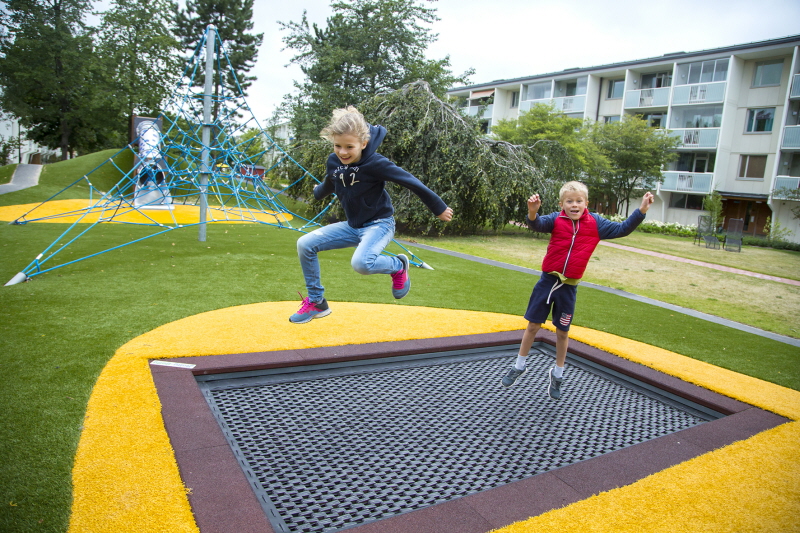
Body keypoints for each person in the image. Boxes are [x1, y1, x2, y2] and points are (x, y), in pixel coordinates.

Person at [290, 106, 453, 324]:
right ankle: (317, 303)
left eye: (349, 147)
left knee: (362, 263)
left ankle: (398, 266)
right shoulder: (334, 161)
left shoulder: (375, 163)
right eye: (338, 146)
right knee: (305, 244)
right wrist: (317, 192)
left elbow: (410, 181)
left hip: (379, 224)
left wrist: (438, 207)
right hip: (352, 226)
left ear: (363, 144)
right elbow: (331, 182)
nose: (343, 152)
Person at [500, 181, 654, 398]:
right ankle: (520, 364)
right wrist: (532, 213)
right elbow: (537, 225)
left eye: (578, 201)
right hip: (547, 282)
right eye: (569, 201)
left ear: (586, 203)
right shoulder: (556, 219)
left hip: (568, 287)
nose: (574, 205)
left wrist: (642, 211)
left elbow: (622, 229)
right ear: (561, 204)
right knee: (533, 325)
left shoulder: (596, 223)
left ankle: (558, 373)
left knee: (562, 332)